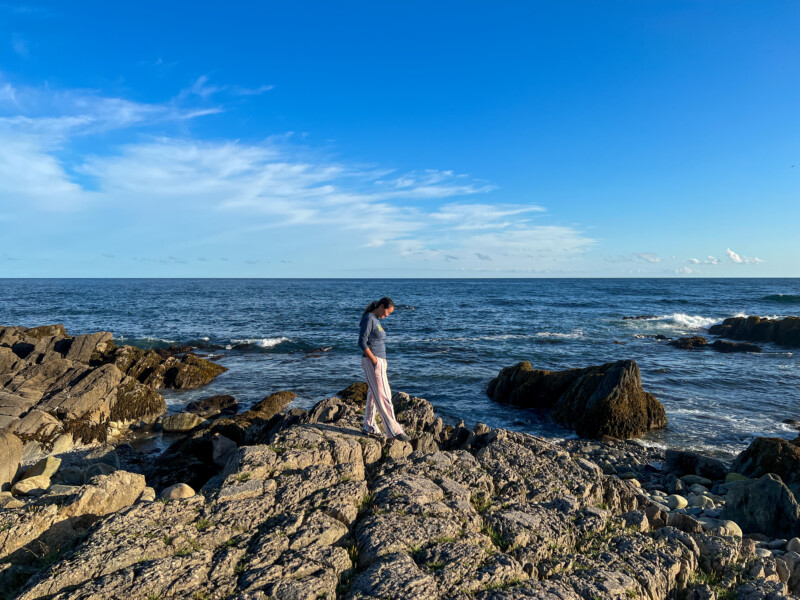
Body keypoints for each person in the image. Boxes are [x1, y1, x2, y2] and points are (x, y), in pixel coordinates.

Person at [358, 297, 410, 442]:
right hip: (373, 361)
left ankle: (368, 426)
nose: (387, 315)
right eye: (388, 312)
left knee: (373, 395)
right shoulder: (369, 318)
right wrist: (374, 360)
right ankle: (394, 430)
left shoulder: (375, 319)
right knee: (383, 396)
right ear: (381, 306)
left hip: (379, 362)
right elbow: (362, 342)